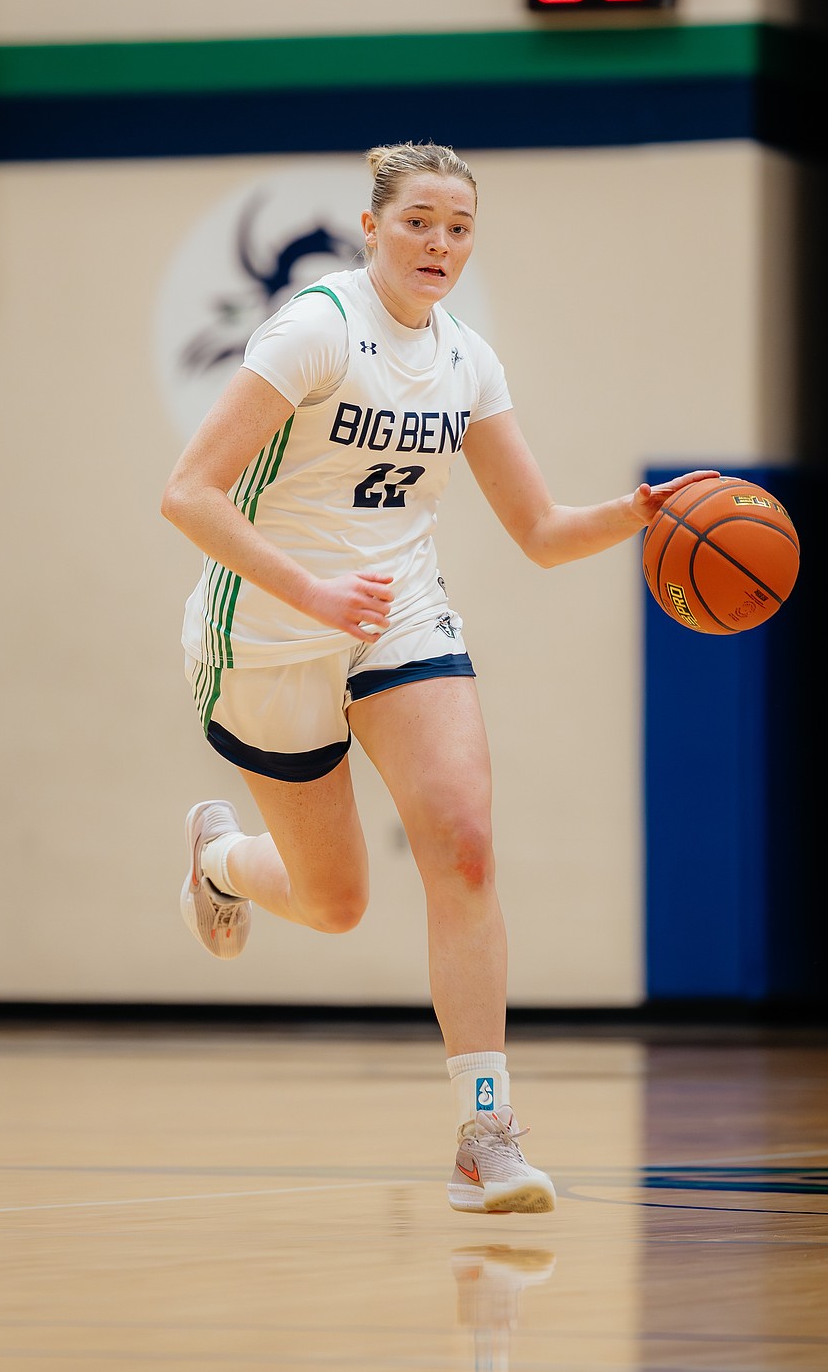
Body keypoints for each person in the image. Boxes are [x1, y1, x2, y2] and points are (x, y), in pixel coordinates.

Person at [161, 141, 717, 1214]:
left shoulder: (468, 359)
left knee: (462, 842)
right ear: (371, 226)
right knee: (335, 903)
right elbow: (189, 492)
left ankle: (486, 1133)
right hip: (269, 627)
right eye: (418, 220)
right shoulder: (316, 329)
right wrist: (314, 593)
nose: (439, 244)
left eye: (459, 228)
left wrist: (642, 511)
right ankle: (223, 859)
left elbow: (543, 533)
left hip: (400, 614)